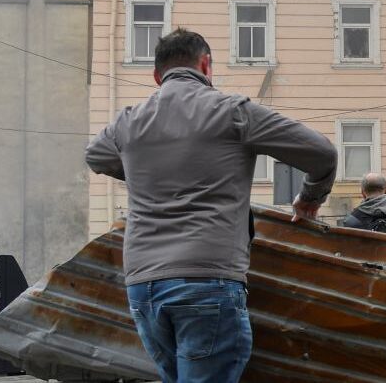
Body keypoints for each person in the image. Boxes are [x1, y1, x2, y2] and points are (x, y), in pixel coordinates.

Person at [86, 28, 337, 383]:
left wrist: (151, 175)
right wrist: (308, 199)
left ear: (157, 76)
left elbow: (95, 155)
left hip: (143, 286)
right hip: (207, 280)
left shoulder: (128, 120)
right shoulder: (233, 112)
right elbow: (322, 153)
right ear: (206, 65)